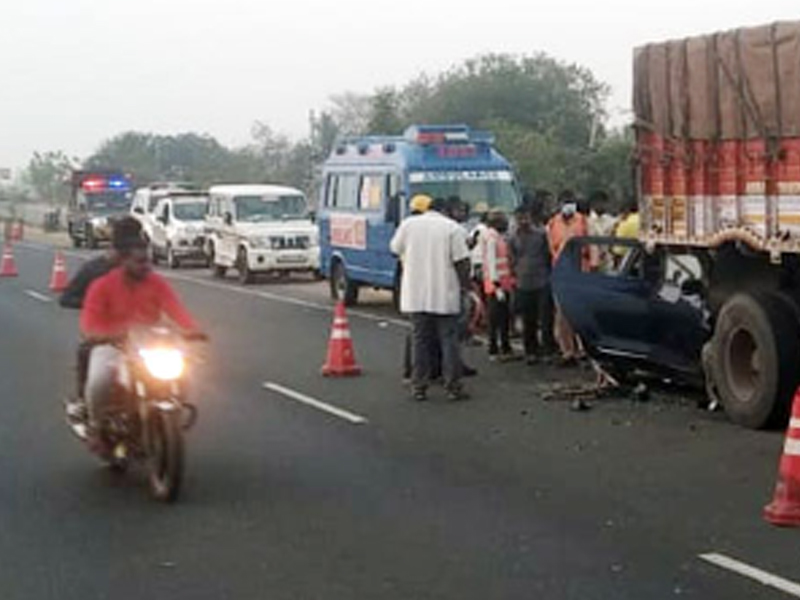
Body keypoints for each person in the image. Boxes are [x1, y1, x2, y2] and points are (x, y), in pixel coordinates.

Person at [80, 232, 203, 438]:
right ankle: (96, 425)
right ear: (123, 261)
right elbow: (90, 323)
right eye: (139, 261)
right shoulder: (101, 286)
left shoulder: (156, 283)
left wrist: (192, 330)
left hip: (149, 345)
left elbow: (175, 308)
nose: (146, 266)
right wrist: (100, 335)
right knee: (99, 380)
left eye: (147, 261)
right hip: (113, 345)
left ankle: (172, 410)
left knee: (184, 373)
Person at [390, 197, 471, 402]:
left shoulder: (408, 225)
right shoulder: (452, 228)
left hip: (416, 294)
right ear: (445, 210)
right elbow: (462, 262)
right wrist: (465, 288)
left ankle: (419, 386)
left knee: (420, 341)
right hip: (445, 294)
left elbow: (394, 249)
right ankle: (453, 386)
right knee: (449, 341)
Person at [61, 217, 144, 416]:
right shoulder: (94, 269)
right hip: (103, 336)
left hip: (137, 335)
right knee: (86, 352)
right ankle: (83, 401)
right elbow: (67, 298)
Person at [547, 190, 588, 367]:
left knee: (581, 313)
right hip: (562, 273)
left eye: (570, 201)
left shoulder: (583, 221)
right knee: (562, 315)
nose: (568, 205)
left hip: (581, 272)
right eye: (565, 201)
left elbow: (591, 246)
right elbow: (552, 249)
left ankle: (583, 350)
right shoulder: (553, 223)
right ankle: (567, 351)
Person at [510, 204, 552, 365]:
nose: (523, 221)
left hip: (542, 280)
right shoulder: (513, 237)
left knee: (546, 318)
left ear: (530, 217)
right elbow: (512, 258)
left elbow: (548, 255)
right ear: (516, 219)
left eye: (525, 217)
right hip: (523, 282)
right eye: (520, 218)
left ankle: (547, 351)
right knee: (528, 320)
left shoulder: (541, 234)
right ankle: (531, 352)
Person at [483, 209, 515, 361]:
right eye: (504, 221)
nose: (507, 224)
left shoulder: (498, 236)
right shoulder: (491, 237)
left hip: (504, 283)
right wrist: (497, 287)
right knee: (495, 318)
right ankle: (494, 348)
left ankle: (505, 346)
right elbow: (491, 263)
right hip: (496, 285)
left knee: (504, 317)